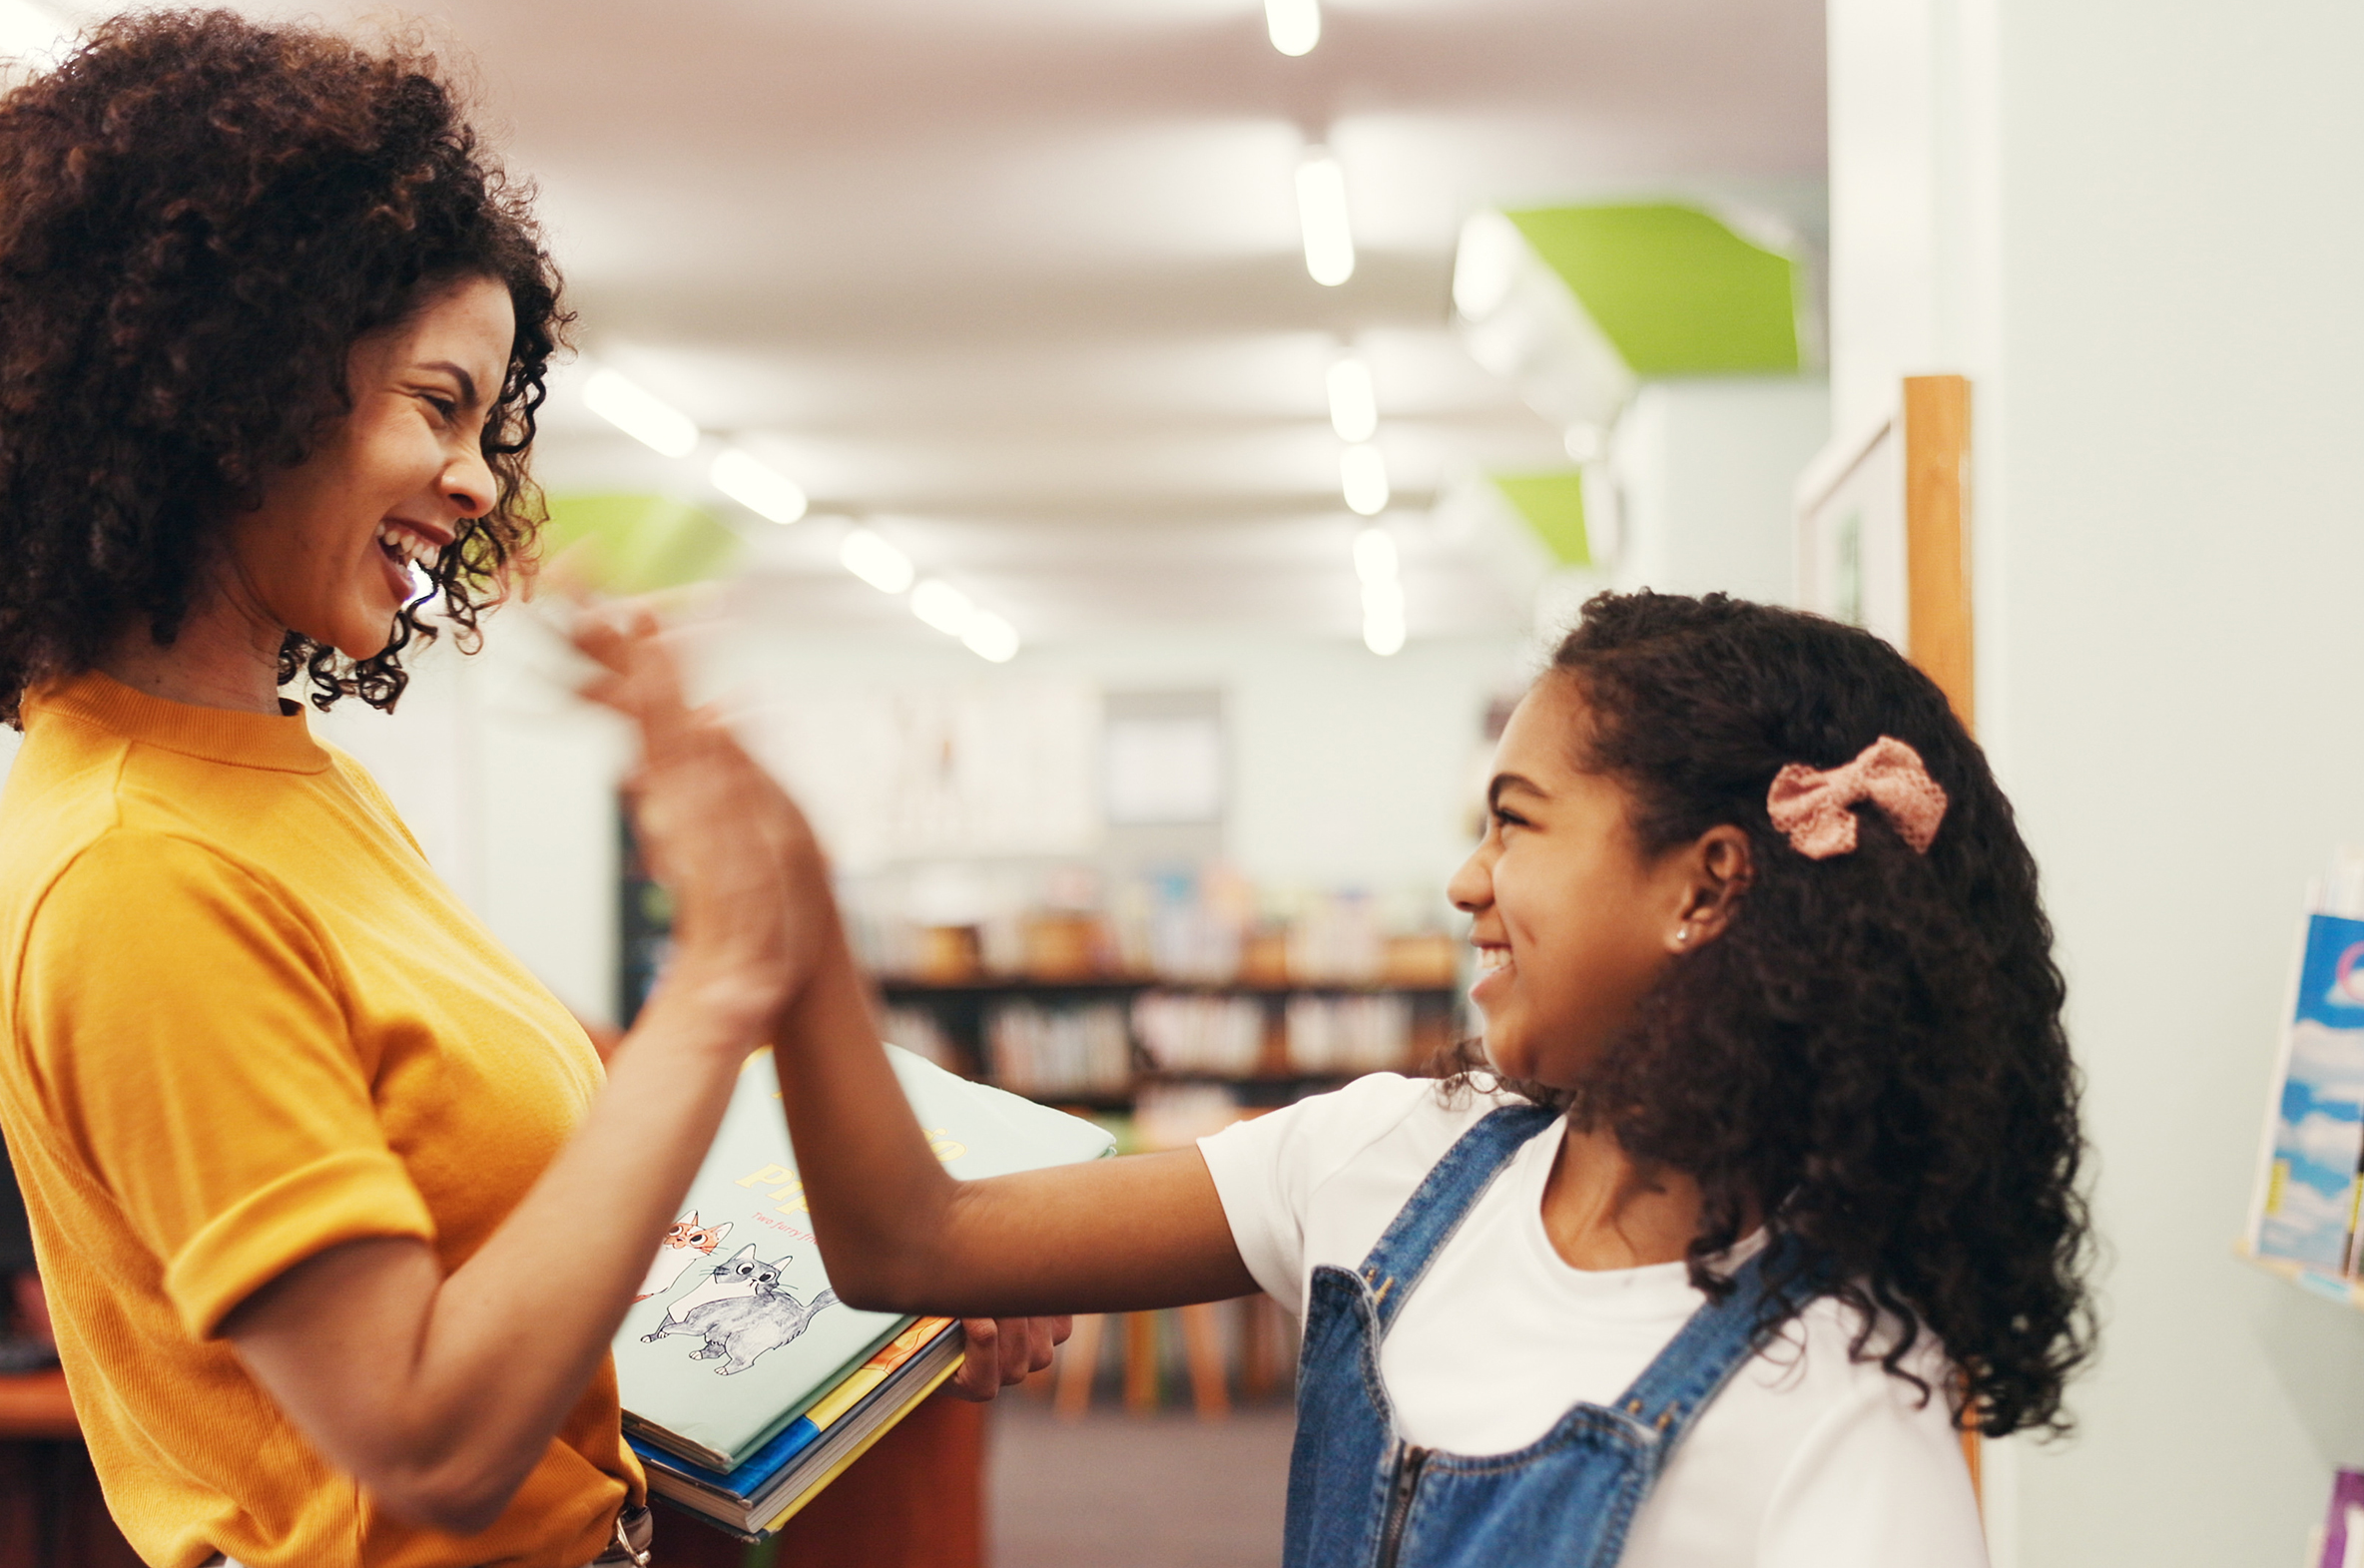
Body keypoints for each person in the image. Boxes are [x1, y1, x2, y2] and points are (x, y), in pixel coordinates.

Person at [0, 12, 1055, 1568]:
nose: (478, 484)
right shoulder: (134, 863)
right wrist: (721, 978)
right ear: (238, 387)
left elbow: (506, 1213)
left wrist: (895, 1271)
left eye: (488, 423)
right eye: (437, 404)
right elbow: (426, 1435)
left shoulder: (281, 783)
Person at [764, 591, 2091, 1567]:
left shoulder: (1834, 1416)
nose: (1466, 880)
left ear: (1707, 883)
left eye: (1513, 820)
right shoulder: (1388, 1158)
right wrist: (791, 937)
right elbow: (914, 1240)